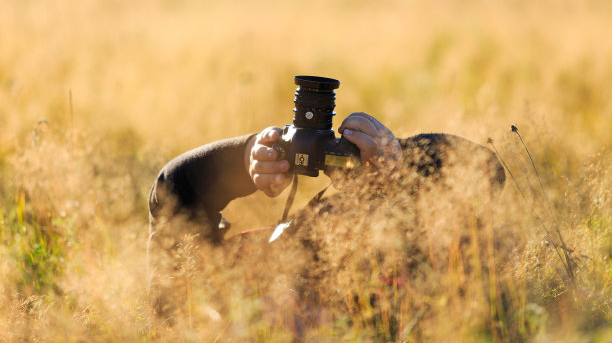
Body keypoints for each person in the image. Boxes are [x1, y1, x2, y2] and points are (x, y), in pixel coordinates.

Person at [147, 112, 505, 325]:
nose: (286, 305)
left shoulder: (215, 308)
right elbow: (485, 173)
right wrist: (401, 163)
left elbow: (173, 192)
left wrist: (246, 161)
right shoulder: (391, 312)